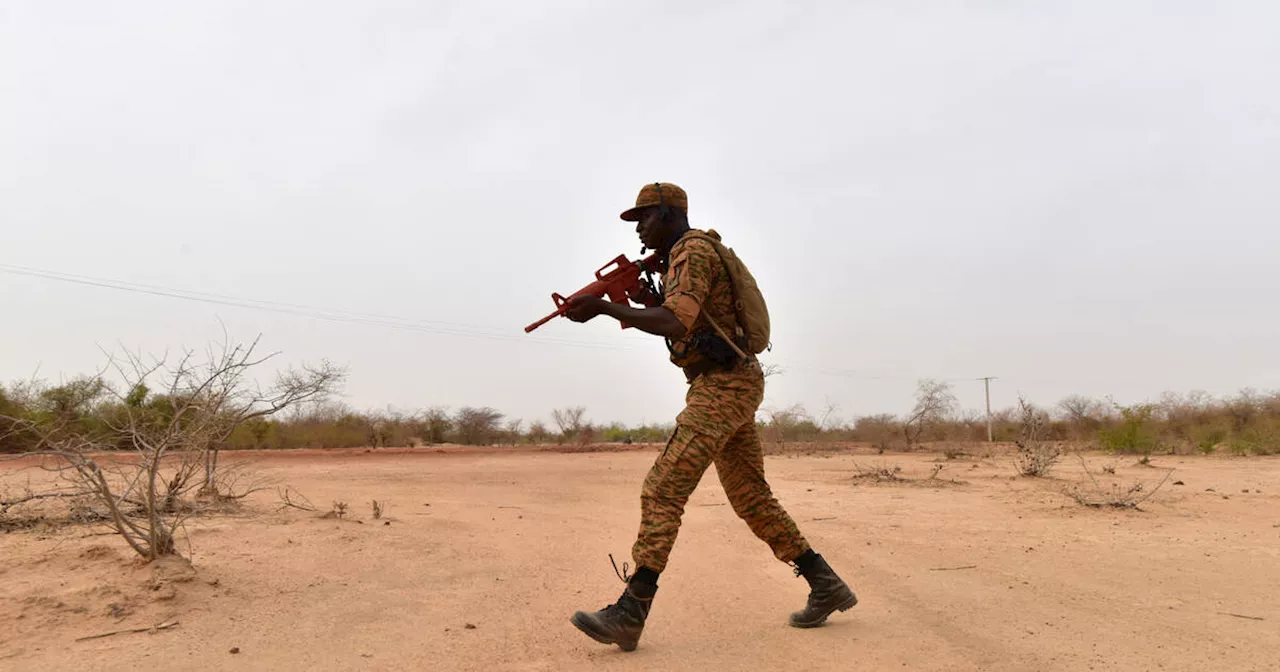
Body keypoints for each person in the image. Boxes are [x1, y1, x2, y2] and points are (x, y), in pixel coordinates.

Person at [561, 182, 857, 652]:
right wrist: (638, 300)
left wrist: (605, 307)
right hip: (727, 381)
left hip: (725, 384)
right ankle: (825, 584)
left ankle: (630, 610)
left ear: (669, 213)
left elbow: (676, 321)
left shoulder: (691, 251)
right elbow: (680, 318)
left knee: (664, 486)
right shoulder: (686, 254)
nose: (639, 228)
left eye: (644, 217)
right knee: (751, 497)